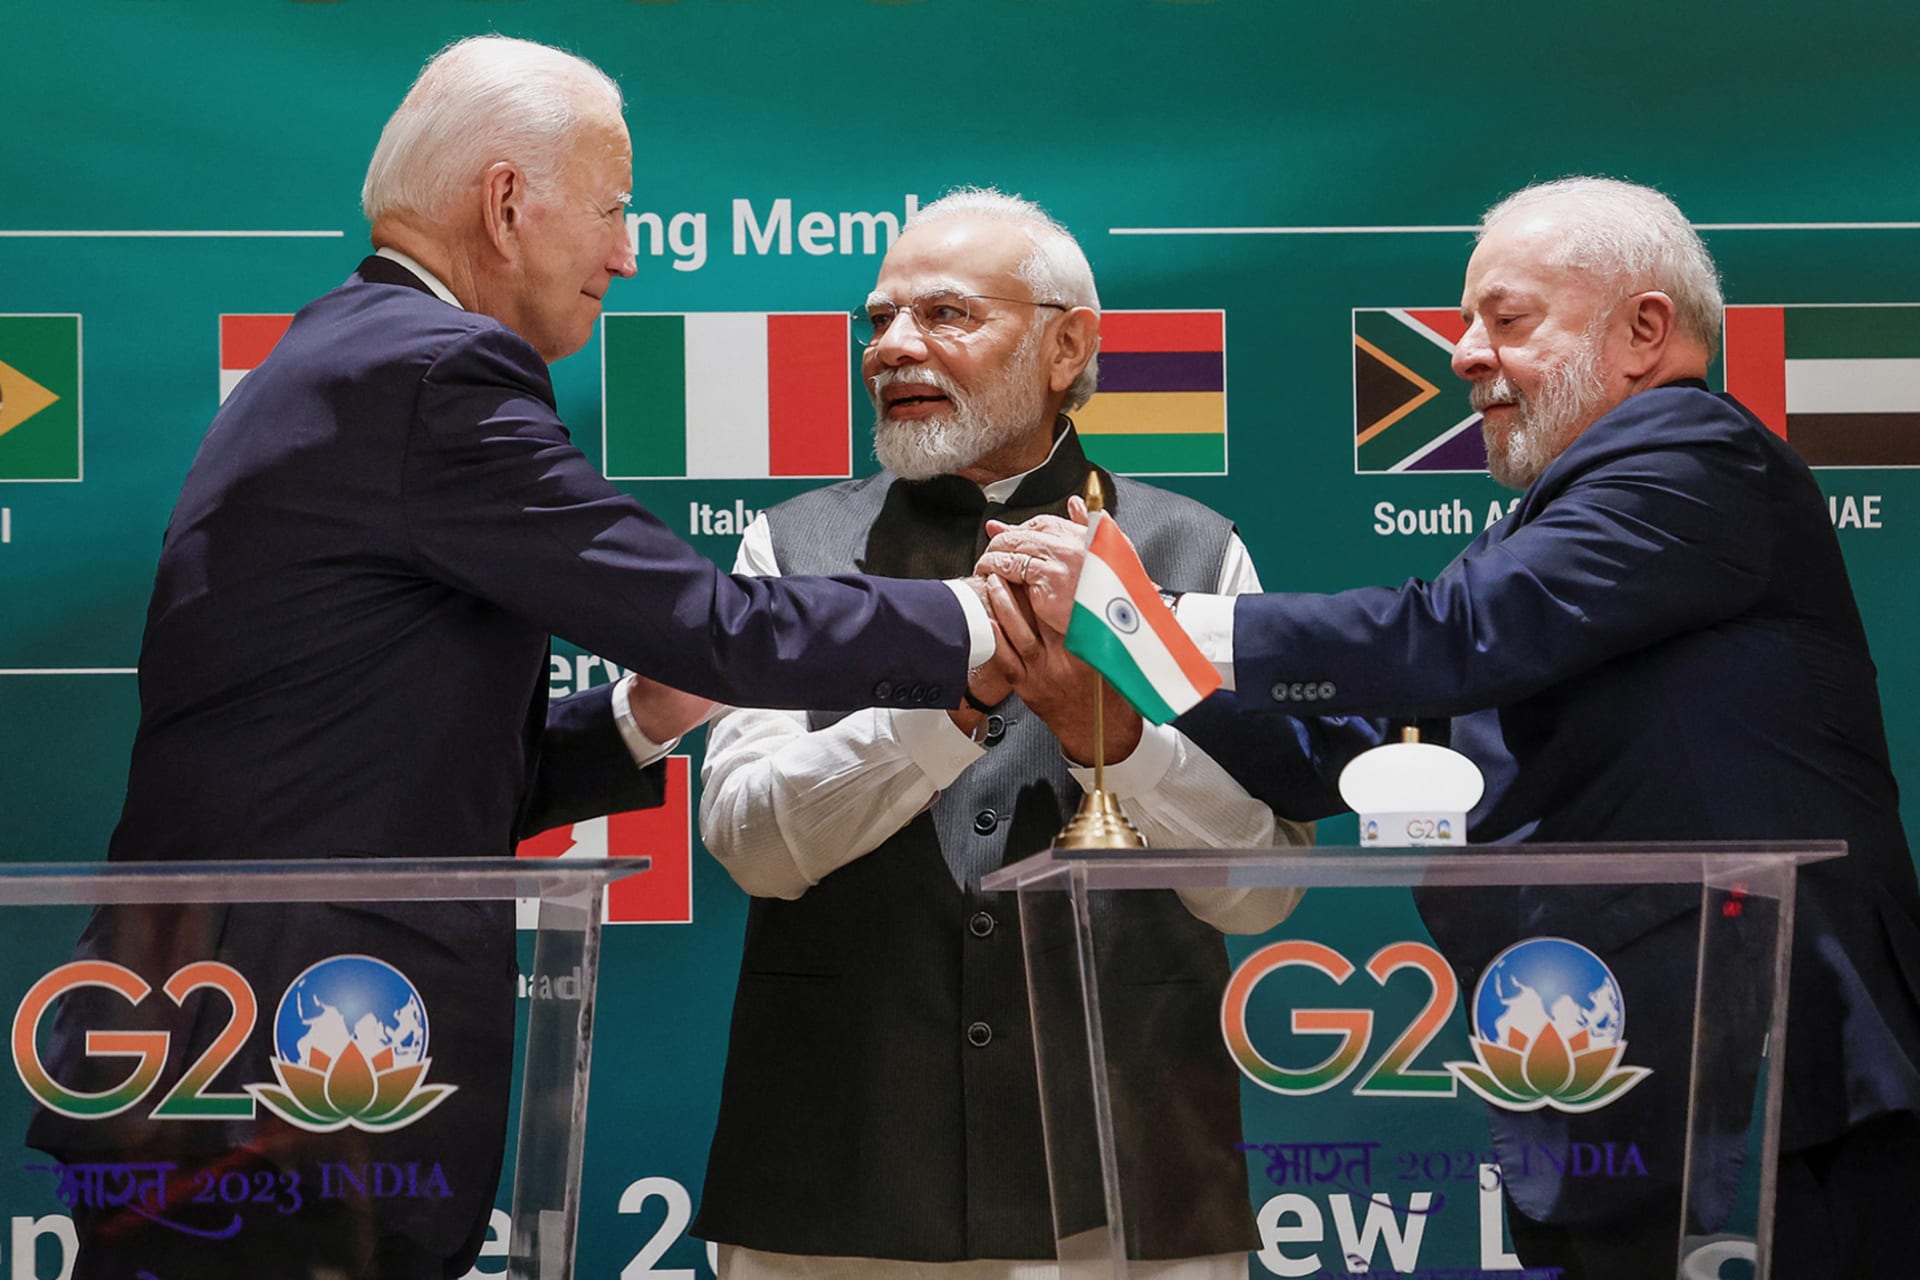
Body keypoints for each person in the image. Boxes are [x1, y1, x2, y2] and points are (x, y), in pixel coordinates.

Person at [28, 36, 1002, 1280]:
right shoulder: (434, 369)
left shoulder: (332, 356)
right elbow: (716, 619)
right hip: (297, 1072)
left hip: (216, 1048)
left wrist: (641, 720)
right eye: (613, 210)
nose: (629, 252)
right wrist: (983, 623)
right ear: (504, 204)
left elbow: (373, 770)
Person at [982, 176, 1920, 1277]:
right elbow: (1348, 746)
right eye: (1465, 324)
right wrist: (1133, 691)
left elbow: (1458, 631)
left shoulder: (1695, 456)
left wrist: (1152, 610)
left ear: (1644, 331)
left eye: (1506, 319)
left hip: (1771, 1096)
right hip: (1603, 1101)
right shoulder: (1543, 525)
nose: (1465, 354)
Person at [691, 189, 1352, 1280]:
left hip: (1132, 1190)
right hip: (833, 1178)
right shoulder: (788, 550)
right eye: (879, 318)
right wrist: (948, 710)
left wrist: (1120, 743)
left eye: (945, 314)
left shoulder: (1195, 554)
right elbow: (750, 844)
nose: (892, 346)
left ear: (1066, 346)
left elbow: (1263, 889)